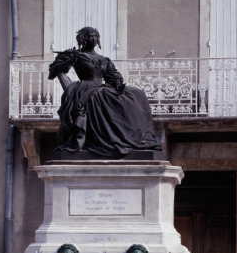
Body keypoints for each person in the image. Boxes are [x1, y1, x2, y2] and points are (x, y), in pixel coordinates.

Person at [48, 26, 161, 158]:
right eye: (91, 36)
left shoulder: (103, 59)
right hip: (86, 88)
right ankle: (114, 138)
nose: (95, 39)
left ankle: (139, 138)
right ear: (83, 38)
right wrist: (69, 61)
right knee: (105, 96)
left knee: (136, 94)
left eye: (96, 36)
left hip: (103, 86)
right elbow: (53, 71)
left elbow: (113, 75)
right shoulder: (76, 55)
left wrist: (117, 82)